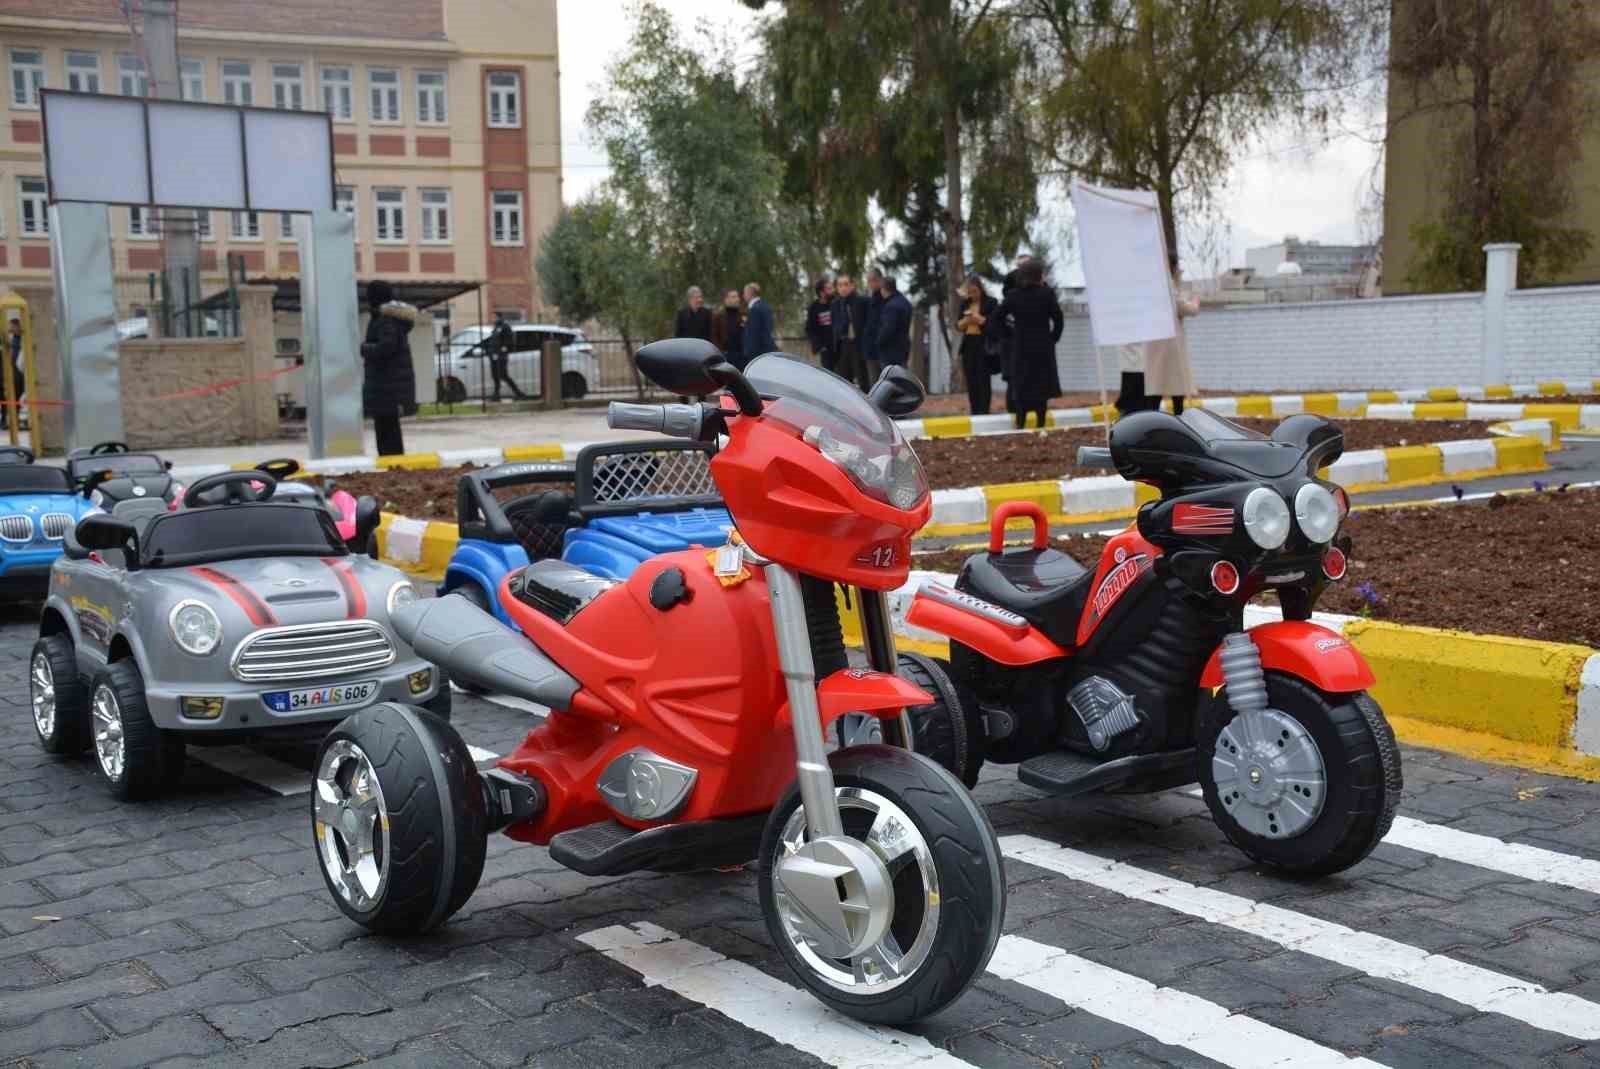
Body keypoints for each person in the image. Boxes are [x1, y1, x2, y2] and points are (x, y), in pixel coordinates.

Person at [990, 259, 1063, 429]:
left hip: (1021, 346)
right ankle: (1041, 423)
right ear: (1039, 276)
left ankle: (1021, 424)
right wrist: (1053, 338)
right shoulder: (1047, 294)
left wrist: (1007, 335)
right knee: (1041, 387)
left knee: (1022, 387)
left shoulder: (1014, 296)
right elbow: (1058, 318)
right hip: (1043, 347)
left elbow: (995, 318)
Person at [360, 280, 419, 457]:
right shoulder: (387, 319)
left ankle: (393, 466)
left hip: (387, 385)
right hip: (387, 384)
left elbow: (386, 348)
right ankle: (392, 465)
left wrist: (363, 348)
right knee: (387, 428)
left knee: (387, 430)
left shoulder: (386, 321)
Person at [1145, 253, 1199, 414]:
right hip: (1170, 343)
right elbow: (1185, 308)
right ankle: (1179, 419)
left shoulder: (1151, 283)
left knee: (1157, 385)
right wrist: (1195, 302)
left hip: (1155, 340)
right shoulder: (1168, 285)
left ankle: (1153, 420)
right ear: (1173, 267)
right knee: (1177, 384)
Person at [956, 275, 998, 415]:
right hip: (969, 343)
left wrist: (980, 319)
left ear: (981, 289)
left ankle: (984, 410)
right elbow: (958, 325)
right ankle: (974, 410)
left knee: (983, 378)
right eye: (969, 292)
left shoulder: (991, 302)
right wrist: (965, 321)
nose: (972, 295)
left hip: (983, 343)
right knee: (971, 378)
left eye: (974, 291)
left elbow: (994, 323)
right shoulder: (965, 304)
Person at [830, 274, 869, 390]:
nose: (843, 288)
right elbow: (834, 325)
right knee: (843, 380)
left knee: (863, 378)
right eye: (840, 285)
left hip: (858, 344)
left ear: (852, 286)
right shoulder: (835, 304)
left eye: (846, 284)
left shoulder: (862, 301)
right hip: (843, 344)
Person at [876, 276, 913, 367]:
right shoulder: (904, 302)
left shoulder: (891, 306)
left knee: (890, 379)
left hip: (890, 352)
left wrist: (878, 342)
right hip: (903, 349)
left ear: (883, 289)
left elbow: (888, 329)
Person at [487, 314, 526, 402]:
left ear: (499, 317)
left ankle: (519, 393)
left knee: (503, 375)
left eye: (495, 317)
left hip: (501, 356)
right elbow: (492, 341)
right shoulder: (495, 328)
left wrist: (503, 349)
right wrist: (490, 352)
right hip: (494, 356)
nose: (493, 319)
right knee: (495, 376)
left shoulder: (505, 327)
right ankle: (496, 395)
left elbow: (508, 340)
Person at [860, 268, 887, 385]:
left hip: (884, 348)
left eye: (873, 280)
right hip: (870, 349)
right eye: (868, 281)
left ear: (880, 281)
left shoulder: (886, 298)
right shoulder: (868, 300)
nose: (870, 284)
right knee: (874, 383)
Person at [805, 278, 836, 371]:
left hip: (840, 348)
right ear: (821, 292)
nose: (832, 291)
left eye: (832, 288)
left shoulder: (837, 303)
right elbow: (809, 329)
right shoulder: (813, 308)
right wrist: (820, 346)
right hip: (825, 350)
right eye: (829, 289)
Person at [741, 282, 775, 369]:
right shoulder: (765, 306)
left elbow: (754, 334)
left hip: (757, 353)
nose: (743, 295)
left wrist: (749, 352)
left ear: (749, 293)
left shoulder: (755, 309)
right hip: (767, 350)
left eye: (744, 293)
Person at [711, 289, 745, 366]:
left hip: (741, 355)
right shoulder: (718, 316)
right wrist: (719, 352)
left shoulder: (743, 313)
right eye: (734, 297)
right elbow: (714, 336)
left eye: (737, 297)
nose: (737, 299)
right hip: (725, 354)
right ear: (726, 299)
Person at [1, 319, 21, 431]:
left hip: (19, 373)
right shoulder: (13, 339)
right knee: (12, 397)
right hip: (13, 371)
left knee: (16, 397)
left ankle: (13, 419)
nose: (10, 329)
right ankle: (10, 419)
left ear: (17, 326)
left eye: (12, 326)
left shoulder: (21, 339)